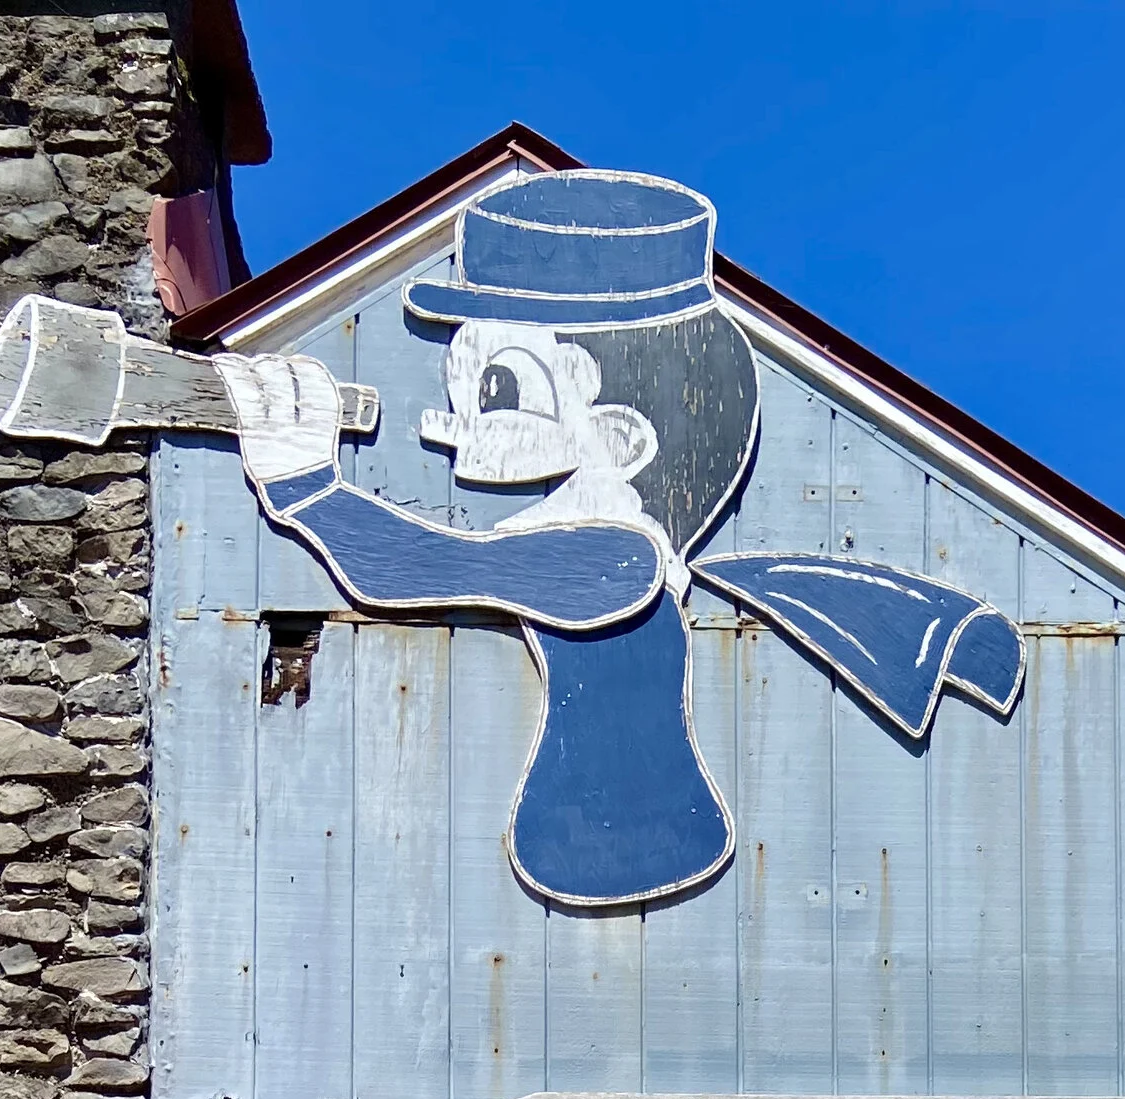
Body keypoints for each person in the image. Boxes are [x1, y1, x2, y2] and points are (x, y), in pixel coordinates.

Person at [217, 168, 1022, 911]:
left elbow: (420, 568)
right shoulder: (584, 545)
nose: (453, 417)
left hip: (624, 845)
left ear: (620, 435)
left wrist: (306, 489)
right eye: (461, 379)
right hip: (577, 840)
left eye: (496, 387)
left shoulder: (615, 557)